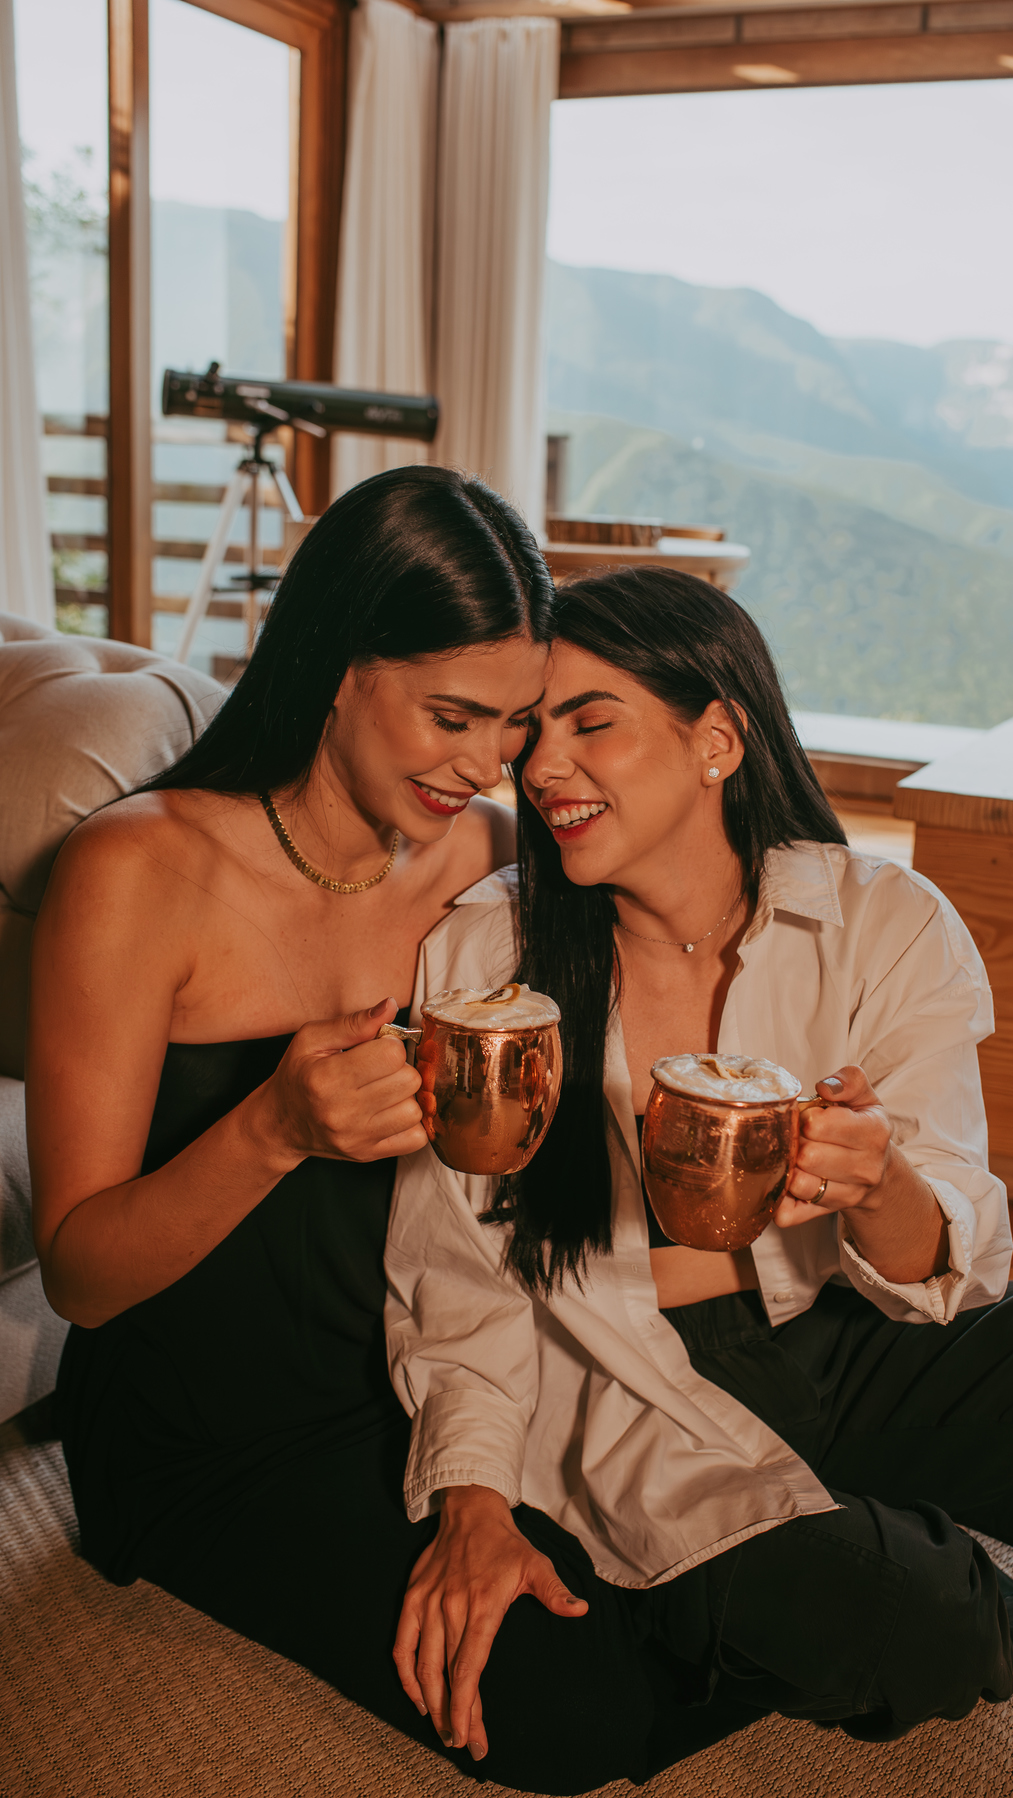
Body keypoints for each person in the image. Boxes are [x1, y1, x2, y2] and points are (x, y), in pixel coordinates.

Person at [384, 567, 1013, 1790]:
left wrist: (877, 1185)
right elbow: (454, 1268)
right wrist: (472, 1498)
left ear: (716, 736)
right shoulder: (485, 951)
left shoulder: (887, 922)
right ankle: (911, 1561)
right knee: (919, 1631)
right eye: (528, 732)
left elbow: (959, 1247)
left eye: (590, 720)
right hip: (632, 1377)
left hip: (845, 1328)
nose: (544, 766)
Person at [27, 467, 650, 1792]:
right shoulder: (135, 871)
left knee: (706, 1535)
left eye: (515, 720)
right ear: (336, 662)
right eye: (455, 714)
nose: (493, 763)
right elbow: (80, 1274)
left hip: (434, 1369)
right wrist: (273, 1127)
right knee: (559, 1688)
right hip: (211, 1423)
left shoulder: (487, 852)